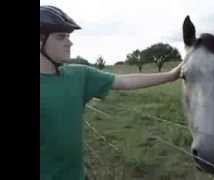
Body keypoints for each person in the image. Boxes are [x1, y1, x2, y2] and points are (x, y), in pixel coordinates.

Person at [40, 5, 182, 180]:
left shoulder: (78, 74)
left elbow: (124, 81)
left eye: (69, 36)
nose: (69, 42)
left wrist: (170, 75)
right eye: (61, 37)